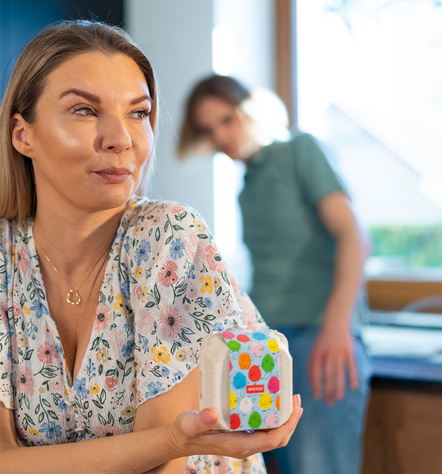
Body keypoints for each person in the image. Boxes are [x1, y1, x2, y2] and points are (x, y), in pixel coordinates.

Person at [0, 22, 303, 474]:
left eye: (138, 113)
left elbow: (163, 469)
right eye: (84, 110)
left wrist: (166, 446)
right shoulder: (6, 258)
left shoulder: (169, 238)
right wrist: (165, 441)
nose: (121, 139)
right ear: (23, 135)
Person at [178, 74, 373, 474]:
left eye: (226, 120)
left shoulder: (299, 150)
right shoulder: (247, 187)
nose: (219, 136)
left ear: (249, 111)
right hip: (267, 342)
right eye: (208, 129)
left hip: (317, 336)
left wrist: (337, 329)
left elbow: (354, 238)